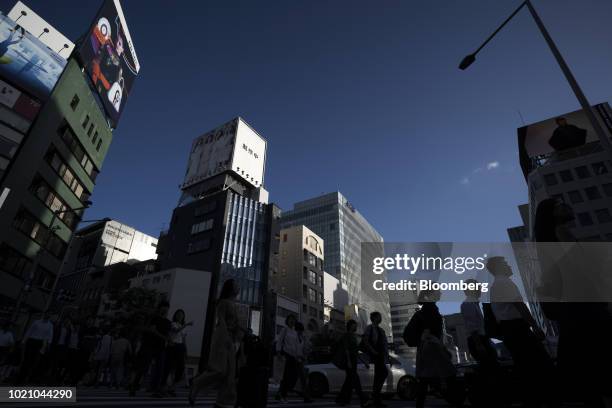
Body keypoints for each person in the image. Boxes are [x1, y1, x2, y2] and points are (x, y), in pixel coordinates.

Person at [534, 198, 612, 407]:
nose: (567, 205)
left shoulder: (546, 241)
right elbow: (582, 266)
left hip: (573, 306)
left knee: (584, 360)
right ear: (551, 213)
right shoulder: (561, 233)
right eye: (559, 204)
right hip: (585, 302)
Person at [487, 256, 557, 407]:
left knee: (525, 365)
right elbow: (520, 306)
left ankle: (533, 398)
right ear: (498, 267)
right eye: (505, 264)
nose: (509, 266)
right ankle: (546, 398)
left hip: (509, 330)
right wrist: (535, 326)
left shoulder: (495, 286)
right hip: (517, 328)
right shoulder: (504, 283)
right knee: (539, 363)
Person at [189, 279, 246, 407]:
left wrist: (242, 334)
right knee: (220, 369)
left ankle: (224, 402)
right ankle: (197, 382)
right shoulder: (223, 303)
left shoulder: (234, 304)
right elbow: (221, 322)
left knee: (230, 373)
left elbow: (236, 325)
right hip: (222, 338)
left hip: (231, 340)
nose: (239, 287)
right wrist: (226, 338)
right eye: (236, 284)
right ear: (230, 288)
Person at [404, 289, 457, 408]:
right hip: (432, 349)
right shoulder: (430, 310)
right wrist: (441, 347)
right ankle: (453, 400)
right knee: (448, 375)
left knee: (426, 379)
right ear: (430, 295)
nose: (440, 293)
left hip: (426, 349)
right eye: (437, 291)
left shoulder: (426, 310)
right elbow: (433, 332)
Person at [460, 279, 500, 404]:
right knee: (488, 369)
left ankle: (485, 397)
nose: (479, 289)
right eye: (477, 287)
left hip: (482, 339)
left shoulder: (475, 304)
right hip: (477, 340)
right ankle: (481, 397)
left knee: (489, 368)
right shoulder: (467, 304)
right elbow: (472, 327)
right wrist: (479, 345)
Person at [129, 300, 171, 397]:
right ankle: (134, 386)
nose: (165, 309)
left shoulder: (168, 322)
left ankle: (156, 389)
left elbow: (168, 333)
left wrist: (169, 339)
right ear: (159, 308)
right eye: (163, 306)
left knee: (160, 369)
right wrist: (164, 338)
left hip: (161, 347)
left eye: (166, 307)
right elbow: (152, 330)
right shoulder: (154, 318)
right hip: (149, 345)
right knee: (144, 367)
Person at [335, 319, 368, 407]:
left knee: (349, 381)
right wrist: (349, 361)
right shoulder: (347, 335)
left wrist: (364, 362)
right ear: (351, 326)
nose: (356, 326)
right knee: (355, 380)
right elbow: (346, 349)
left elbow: (356, 352)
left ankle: (342, 399)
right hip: (348, 361)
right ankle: (362, 399)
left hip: (353, 361)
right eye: (355, 325)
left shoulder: (353, 336)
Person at [16, 313, 53, 385]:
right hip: (32, 340)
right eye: (47, 314)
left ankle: (25, 378)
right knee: (26, 359)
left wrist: (48, 345)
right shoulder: (37, 322)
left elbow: (50, 336)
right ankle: (20, 378)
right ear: (44, 315)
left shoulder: (50, 325)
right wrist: (23, 341)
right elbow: (29, 331)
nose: (47, 316)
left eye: (49, 315)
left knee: (32, 361)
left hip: (39, 342)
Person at [362, 311, 389, 407]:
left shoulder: (381, 330)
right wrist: (372, 351)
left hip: (380, 356)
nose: (380, 318)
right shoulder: (369, 328)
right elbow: (365, 341)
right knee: (382, 374)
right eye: (379, 316)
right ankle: (375, 397)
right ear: (374, 318)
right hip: (375, 355)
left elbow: (385, 344)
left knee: (379, 376)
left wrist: (386, 356)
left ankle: (375, 398)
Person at [163, 309, 191, 396]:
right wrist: (186, 324)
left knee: (180, 368)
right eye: (178, 314)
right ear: (175, 315)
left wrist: (186, 351)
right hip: (172, 346)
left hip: (180, 347)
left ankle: (172, 387)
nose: (180, 316)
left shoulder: (183, 327)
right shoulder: (172, 324)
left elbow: (184, 339)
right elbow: (176, 331)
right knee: (169, 367)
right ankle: (164, 387)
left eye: (182, 315)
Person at [276, 314, 299, 402]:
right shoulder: (284, 329)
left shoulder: (295, 332)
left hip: (293, 357)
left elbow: (296, 345)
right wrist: (278, 352)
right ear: (287, 320)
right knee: (285, 376)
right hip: (286, 355)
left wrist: (297, 355)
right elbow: (279, 341)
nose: (292, 321)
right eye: (290, 319)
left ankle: (280, 394)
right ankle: (282, 395)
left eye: (293, 319)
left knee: (291, 377)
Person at [294, 322, 313, 403]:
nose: (300, 332)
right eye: (299, 331)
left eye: (301, 331)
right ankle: (280, 393)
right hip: (293, 359)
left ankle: (306, 397)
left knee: (304, 379)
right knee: (289, 378)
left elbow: (305, 348)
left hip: (301, 360)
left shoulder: (303, 337)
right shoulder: (292, 337)